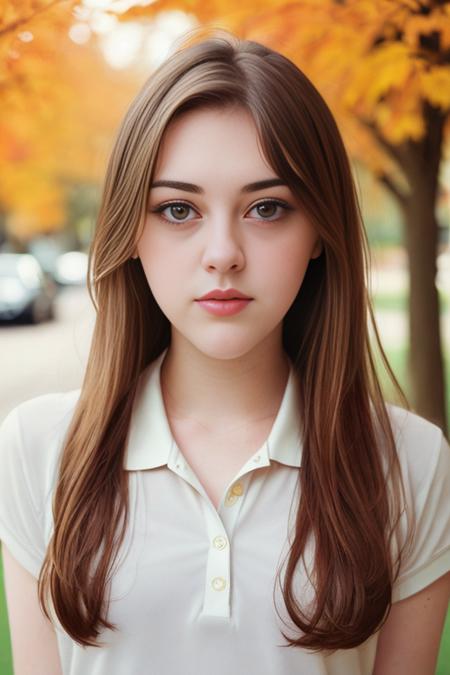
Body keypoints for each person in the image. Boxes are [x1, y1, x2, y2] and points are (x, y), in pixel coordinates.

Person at [1, 26, 449, 675]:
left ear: (319, 231)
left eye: (266, 208)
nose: (223, 254)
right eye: (178, 210)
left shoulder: (411, 463)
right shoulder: (38, 447)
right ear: (130, 230)